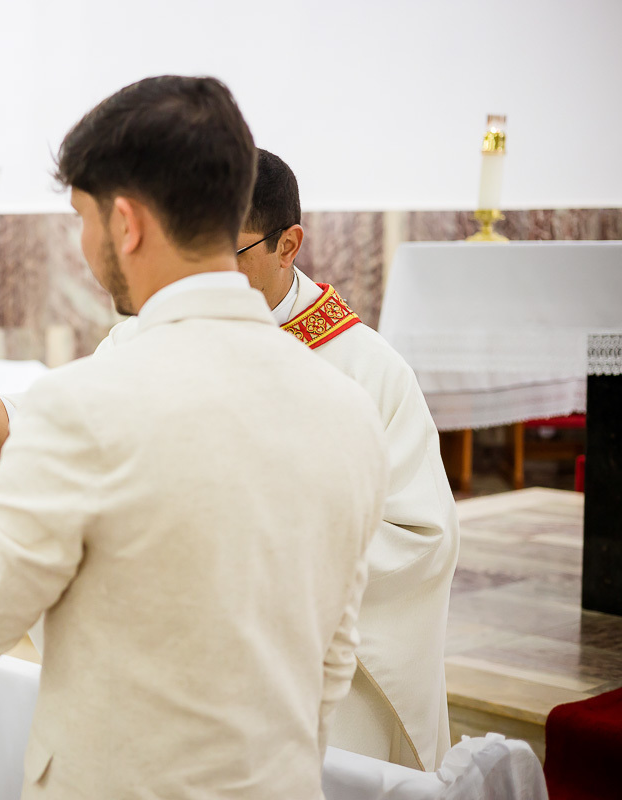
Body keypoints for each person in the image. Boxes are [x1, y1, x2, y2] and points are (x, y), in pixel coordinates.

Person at [0, 76, 390, 799]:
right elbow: (333, 660)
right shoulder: (347, 407)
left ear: (125, 223)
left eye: (83, 220)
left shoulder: (85, 405)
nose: (87, 246)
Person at [90, 150, 460, 770]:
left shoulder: (367, 373)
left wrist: (260, 544)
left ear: (287, 245)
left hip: (310, 684)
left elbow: (421, 538)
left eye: (222, 256)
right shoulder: (139, 338)